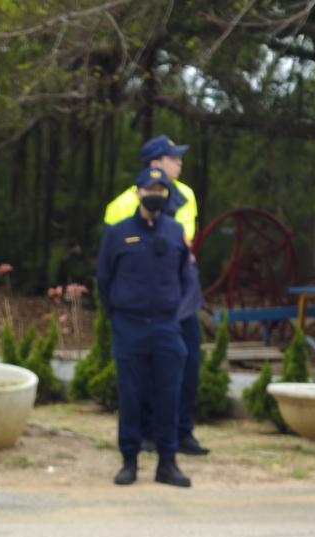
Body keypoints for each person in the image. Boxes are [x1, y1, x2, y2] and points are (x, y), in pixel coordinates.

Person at [104, 135, 210, 457]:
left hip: (178, 293)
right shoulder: (121, 205)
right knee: (143, 372)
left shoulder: (187, 195)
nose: (179, 162)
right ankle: (145, 434)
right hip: (140, 300)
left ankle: (182, 431)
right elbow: (109, 264)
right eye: (172, 157)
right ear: (155, 164)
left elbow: (185, 243)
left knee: (187, 362)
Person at [97, 167, 195, 488]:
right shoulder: (118, 233)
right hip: (130, 326)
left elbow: (186, 278)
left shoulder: (175, 231)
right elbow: (104, 279)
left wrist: (174, 313)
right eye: (150, 189)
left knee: (168, 395)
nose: (156, 194)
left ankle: (168, 463)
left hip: (167, 327)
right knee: (130, 395)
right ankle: (130, 461)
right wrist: (119, 314)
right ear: (138, 192)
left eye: (161, 190)